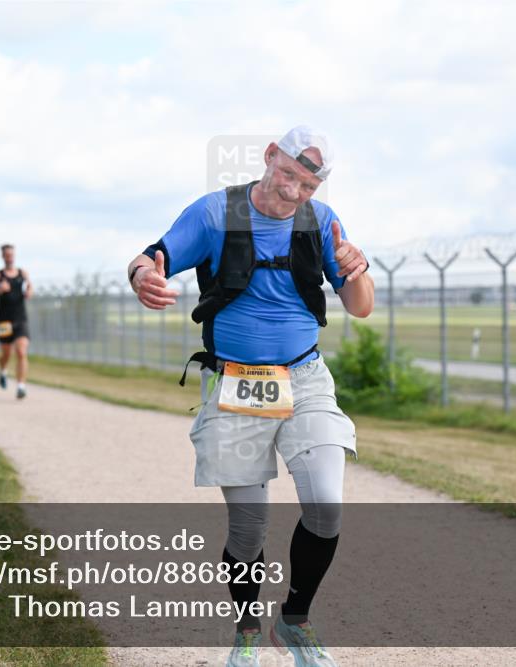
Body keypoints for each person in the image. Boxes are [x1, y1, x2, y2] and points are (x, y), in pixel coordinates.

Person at [127, 126, 373, 667]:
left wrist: (356, 271)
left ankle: (295, 621)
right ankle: (246, 628)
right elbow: (150, 257)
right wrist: (143, 276)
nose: (293, 192)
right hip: (234, 383)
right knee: (248, 525)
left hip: (305, 379)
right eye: (288, 175)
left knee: (326, 505)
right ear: (268, 157)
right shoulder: (217, 213)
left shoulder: (322, 222)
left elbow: (360, 306)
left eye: (308, 185)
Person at [0, 244, 33, 399]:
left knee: (21, 351)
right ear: (3, 256)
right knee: (6, 353)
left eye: (12, 254)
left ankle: (21, 386)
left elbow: (30, 287)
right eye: (7, 255)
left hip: (20, 318)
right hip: (3, 320)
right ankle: (3, 370)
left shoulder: (22, 273)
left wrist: (29, 291)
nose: (10, 257)